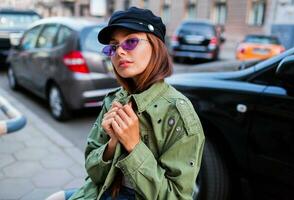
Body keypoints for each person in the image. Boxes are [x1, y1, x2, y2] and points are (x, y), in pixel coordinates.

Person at [47, 6, 205, 200]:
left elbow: (177, 197)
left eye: (130, 42)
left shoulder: (178, 112)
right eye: (113, 46)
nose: (119, 52)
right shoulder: (114, 100)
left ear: (156, 47)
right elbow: (94, 174)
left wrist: (133, 146)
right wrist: (112, 144)